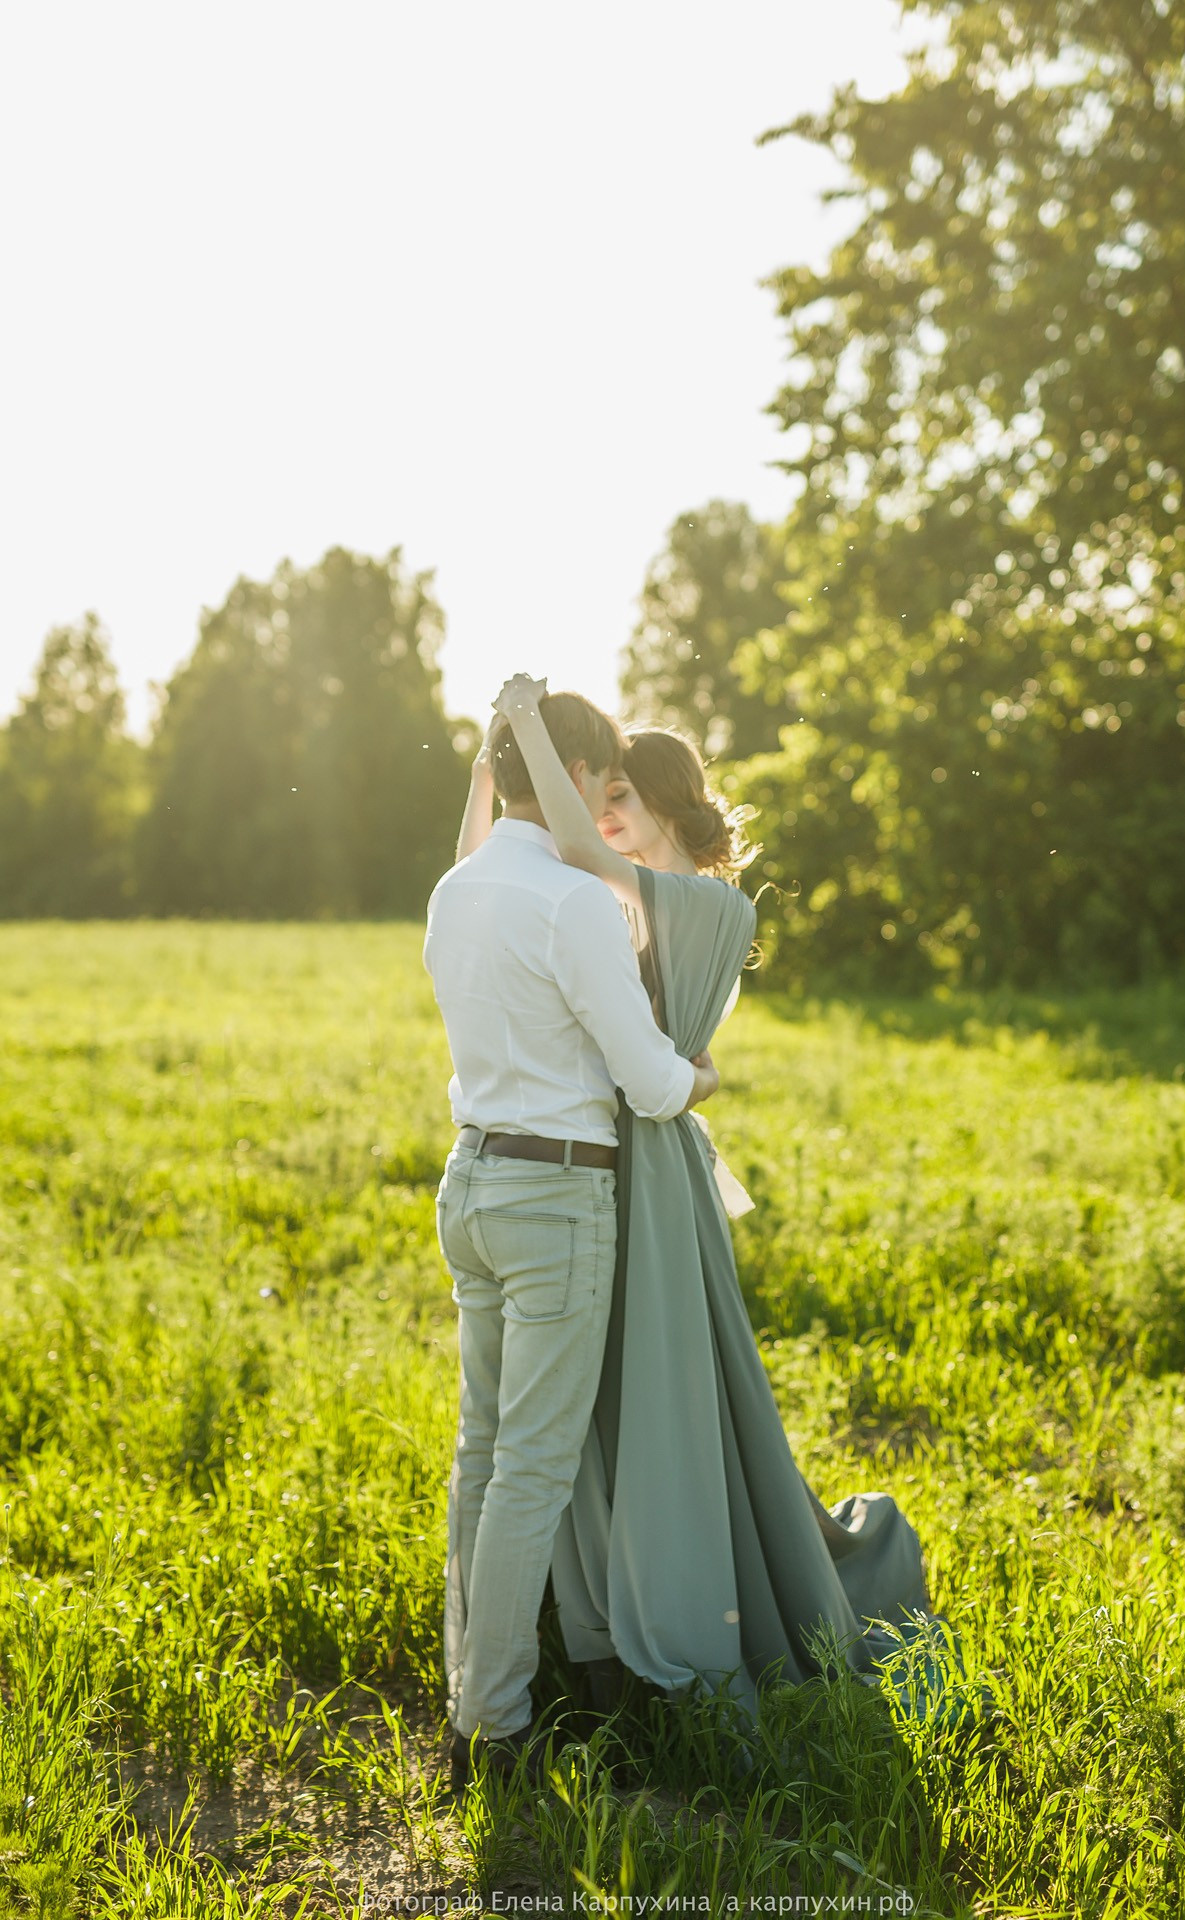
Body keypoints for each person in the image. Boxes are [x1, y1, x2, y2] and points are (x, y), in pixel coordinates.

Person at [488, 674, 939, 1726]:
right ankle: (593, 1617)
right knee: (603, 1390)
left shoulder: (698, 903)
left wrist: (519, 729)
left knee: (660, 1389)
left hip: (648, 1170)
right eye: (601, 798)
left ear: (666, 803)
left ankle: (676, 1617)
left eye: (621, 799)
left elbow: (570, 848)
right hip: (623, 1154)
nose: (602, 817)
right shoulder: (633, 900)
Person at [423, 690, 720, 1793]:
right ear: (577, 770)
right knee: (531, 1472)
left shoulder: (453, 891)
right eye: (597, 783)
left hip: (469, 1183)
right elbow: (647, 1085)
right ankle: (491, 1727)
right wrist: (697, 1074)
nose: (600, 804)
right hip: (553, 1200)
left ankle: (468, 1689)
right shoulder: (572, 903)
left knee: (479, 1456)